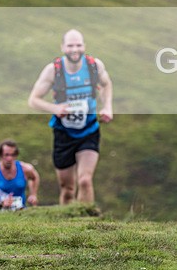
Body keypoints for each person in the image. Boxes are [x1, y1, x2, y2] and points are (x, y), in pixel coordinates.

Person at [28, 29, 113, 205]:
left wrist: (107, 107)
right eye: (70, 45)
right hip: (63, 133)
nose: (75, 49)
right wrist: (54, 108)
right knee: (67, 189)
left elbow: (106, 84)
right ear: (62, 47)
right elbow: (33, 100)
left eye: (78, 45)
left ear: (84, 46)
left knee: (85, 180)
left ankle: (88, 223)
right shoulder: (53, 71)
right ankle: (69, 226)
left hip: (88, 130)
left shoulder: (93, 66)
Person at [0, 139, 40, 210]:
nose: (9, 158)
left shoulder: (26, 169)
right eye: (6, 155)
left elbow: (35, 177)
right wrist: (0, 203)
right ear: (0, 155)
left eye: (12, 155)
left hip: (21, 211)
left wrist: (33, 194)